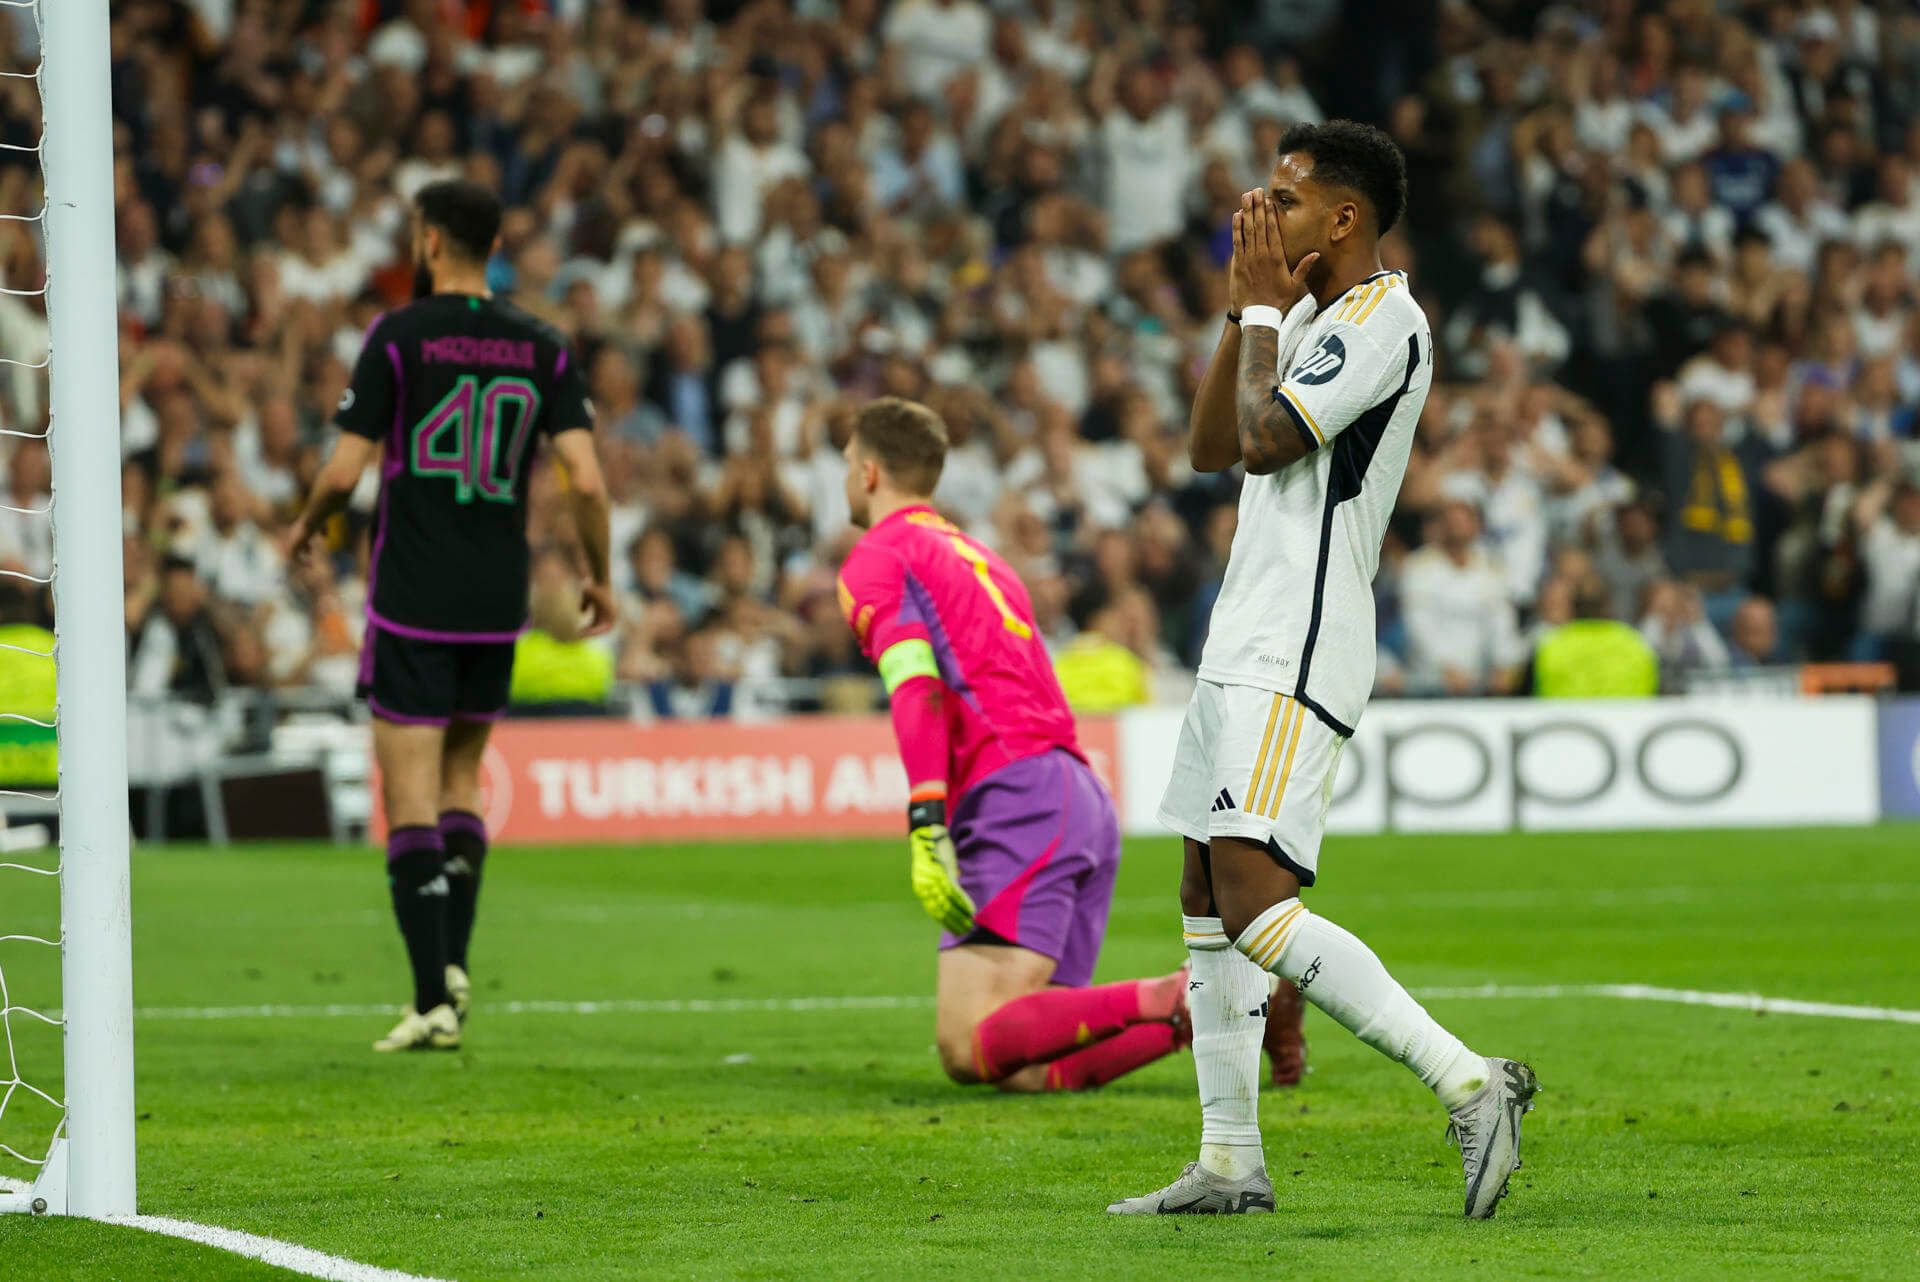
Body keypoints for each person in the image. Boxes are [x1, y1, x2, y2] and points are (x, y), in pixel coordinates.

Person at [1109, 122, 1537, 1220]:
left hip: (1298, 640)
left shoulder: (1385, 318)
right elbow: (1212, 447)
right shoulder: (1298, 314)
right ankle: (1229, 1160)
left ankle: (1470, 1080)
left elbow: (1268, 442)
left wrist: (1263, 314)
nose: (1264, 212)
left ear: (1345, 217)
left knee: (1255, 900)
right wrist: (1243, 312)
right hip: (1242, 634)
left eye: (1286, 198)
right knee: (1205, 895)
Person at [284, 180, 615, 1053]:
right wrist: (601, 574)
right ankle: (453, 971)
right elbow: (587, 480)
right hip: (496, 599)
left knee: (409, 797)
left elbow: (345, 472)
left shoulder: (398, 336)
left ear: (429, 241)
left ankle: (431, 996)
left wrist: (309, 523)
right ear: (493, 245)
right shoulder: (542, 345)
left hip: (413, 596)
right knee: (463, 782)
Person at [835, 396, 1189, 1092]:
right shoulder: (980, 557)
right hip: (1075, 793)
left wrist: (926, 818)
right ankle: (1213, 1013)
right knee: (1025, 1064)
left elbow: (917, 688)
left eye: (848, 462)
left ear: (870, 472)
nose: (847, 475)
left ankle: (1185, 991)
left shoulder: (877, 558)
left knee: (967, 1043)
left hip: (1016, 793)